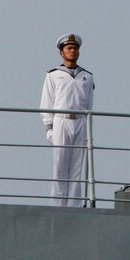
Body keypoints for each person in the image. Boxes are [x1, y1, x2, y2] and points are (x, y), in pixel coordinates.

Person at [39, 33, 95, 207]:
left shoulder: (87, 76)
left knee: (76, 168)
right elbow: (46, 102)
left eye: (75, 48)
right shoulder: (53, 75)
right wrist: (49, 128)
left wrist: (89, 131)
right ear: (62, 53)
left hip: (80, 121)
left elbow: (89, 105)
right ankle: (57, 206)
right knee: (60, 167)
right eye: (69, 48)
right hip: (61, 121)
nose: (73, 51)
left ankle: (73, 206)